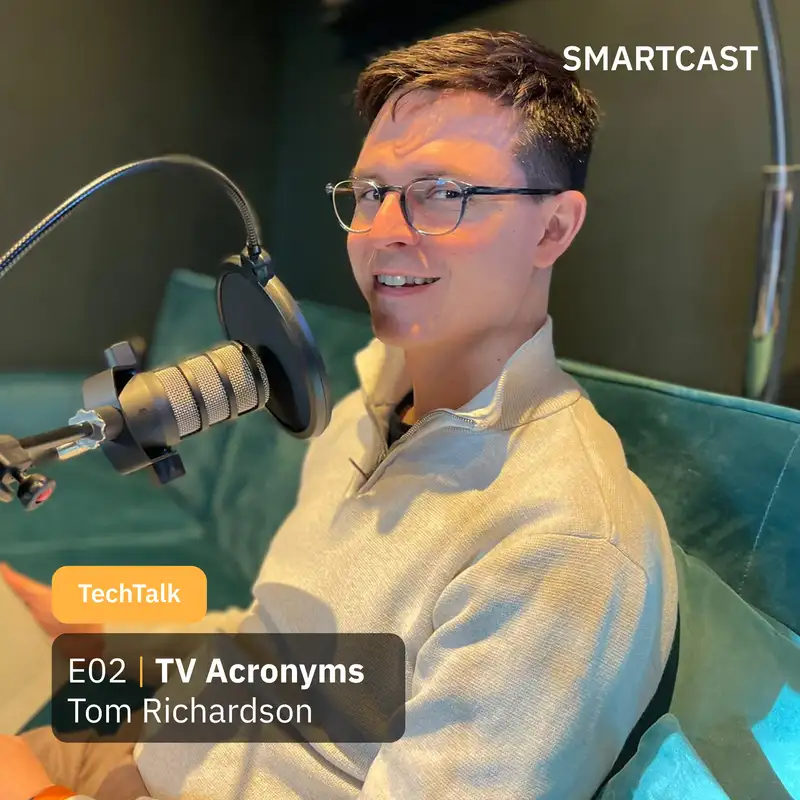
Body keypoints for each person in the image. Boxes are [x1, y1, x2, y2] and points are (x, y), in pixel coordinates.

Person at [1, 28, 678, 800]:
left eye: (441, 192)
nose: (382, 231)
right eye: (370, 192)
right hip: (155, 745)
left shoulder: (562, 543)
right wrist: (104, 633)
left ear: (552, 228)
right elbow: (283, 654)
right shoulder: (368, 404)